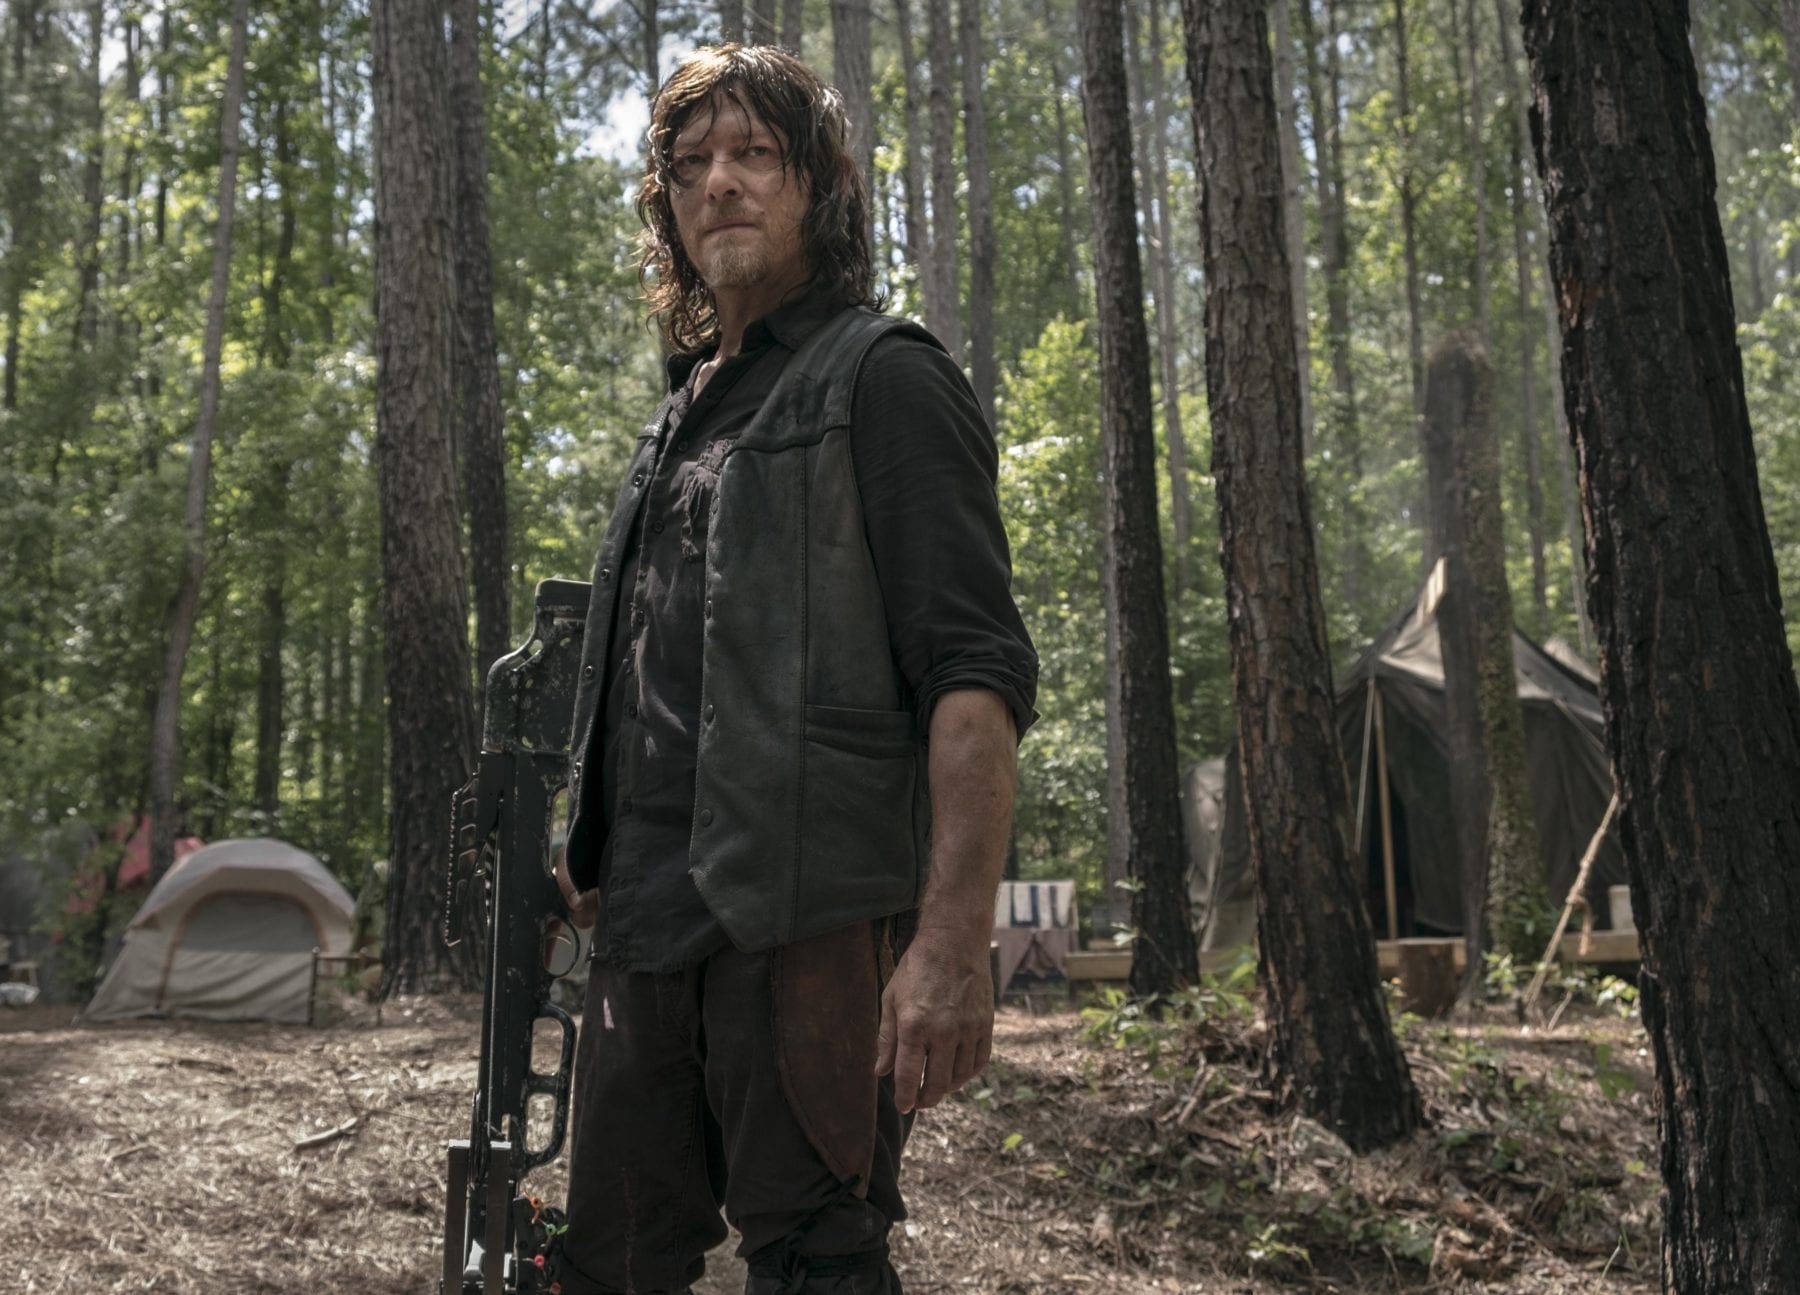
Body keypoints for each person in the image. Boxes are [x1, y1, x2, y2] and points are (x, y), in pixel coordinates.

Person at [552, 43, 1037, 1295]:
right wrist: (592, 835)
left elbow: (974, 674)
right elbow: (657, 660)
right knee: (608, 1261)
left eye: (754, 153)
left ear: (817, 185)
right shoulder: (678, 415)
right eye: (691, 162)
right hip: (642, 928)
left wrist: (953, 943)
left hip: (809, 922)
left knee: (818, 1260)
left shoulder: (885, 377)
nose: (720, 182)